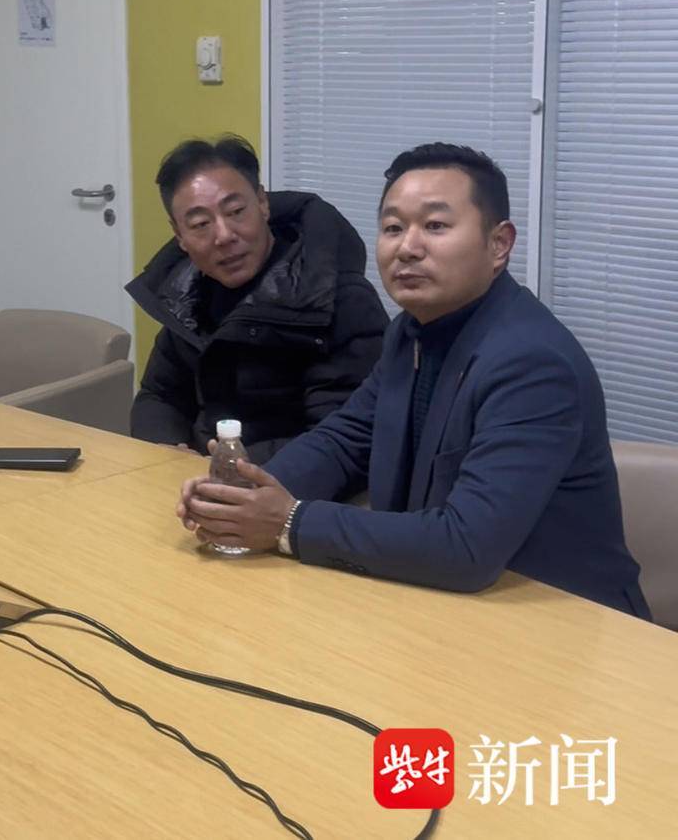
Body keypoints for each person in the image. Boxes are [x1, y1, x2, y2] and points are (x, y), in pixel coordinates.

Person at [178, 142, 651, 619]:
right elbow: (344, 441)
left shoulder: (532, 361)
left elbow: (467, 546)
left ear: (499, 244)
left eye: (436, 226)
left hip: (569, 623)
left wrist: (289, 523)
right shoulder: (412, 331)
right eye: (393, 227)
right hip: (449, 605)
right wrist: (240, 493)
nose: (408, 247)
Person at [126, 135, 388, 465]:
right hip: (199, 474)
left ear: (263, 203)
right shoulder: (186, 295)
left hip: (292, 481)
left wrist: (227, 465)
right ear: (179, 235)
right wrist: (167, 448)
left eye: (236, 211)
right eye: (200, 224)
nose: (224, 236)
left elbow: (342, 436)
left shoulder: (337, 299)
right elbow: (159, 395)